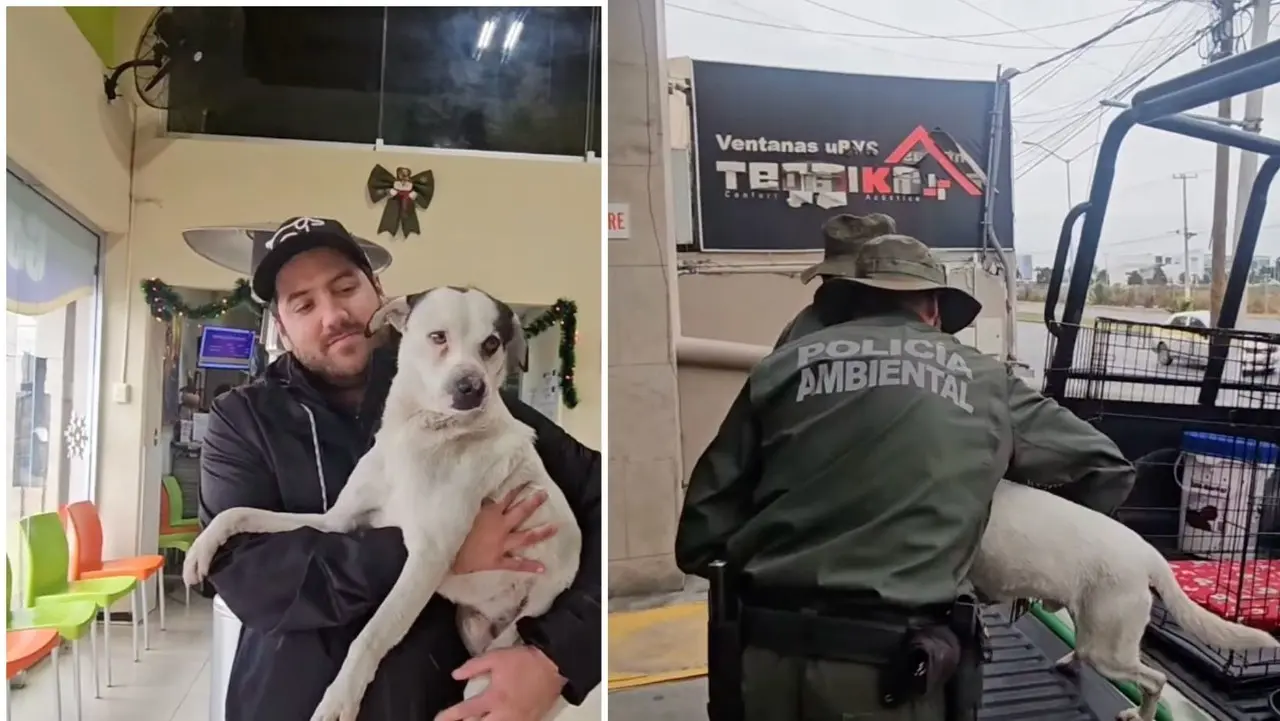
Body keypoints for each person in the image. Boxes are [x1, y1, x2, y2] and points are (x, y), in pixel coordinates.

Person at [675, 232, 1136, 721]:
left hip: (762, 663)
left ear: (847, 302)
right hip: (896, 674)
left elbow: (700, 536)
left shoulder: (781, 367)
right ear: (934, 309)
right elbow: (1104, 465)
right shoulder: (985, 380)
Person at [199, 217, 601, 721]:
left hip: (441, 703)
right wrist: (443, 550)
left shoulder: (469, 401)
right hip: (291, 705)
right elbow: (250, 578)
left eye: (346, 287)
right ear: (280, 326)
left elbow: (603, 495)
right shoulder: (242, 419)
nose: (333, 314)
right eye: (303, 304)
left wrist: (557, 658)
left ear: (380, 295)